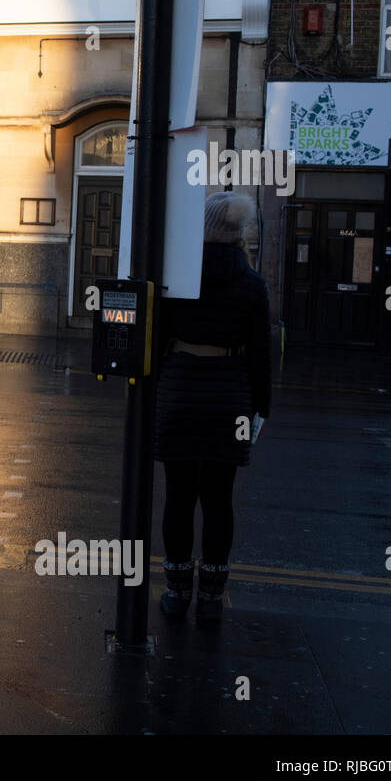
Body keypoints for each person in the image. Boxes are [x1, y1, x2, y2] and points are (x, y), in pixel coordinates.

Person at [154, 191, 271, 624]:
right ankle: (211, 596)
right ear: (238, 233)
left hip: (181, 389)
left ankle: (177, 589)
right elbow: (260, 353)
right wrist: (261, 408)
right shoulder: (252, 283)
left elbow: (157, 337)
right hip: (230, 396)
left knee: (179, 497)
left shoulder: (179, 277)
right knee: (219, 499)